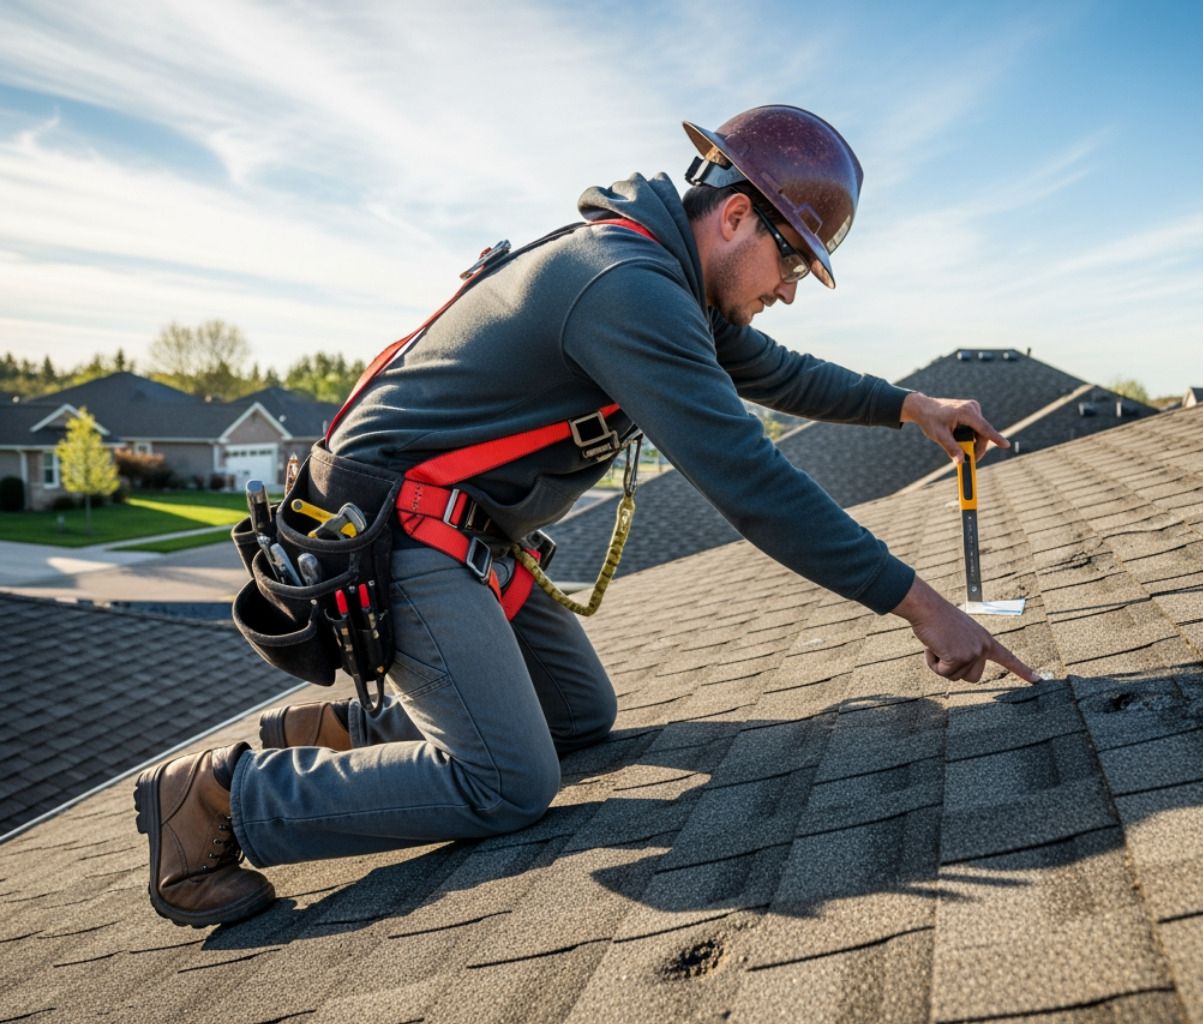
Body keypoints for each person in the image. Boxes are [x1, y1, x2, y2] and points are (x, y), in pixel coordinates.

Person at [133, 105, 1040, 927]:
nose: (791, 288)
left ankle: (342, 738)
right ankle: (217, 800)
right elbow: (752, 483)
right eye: (794, 259)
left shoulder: (663, 276)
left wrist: (909, 405)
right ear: (734, 217)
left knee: (579, 717)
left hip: (466, 538)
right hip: (400, 533)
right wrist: (923, 607)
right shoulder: (625, 287)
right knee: (506, 783)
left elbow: (778, 372)